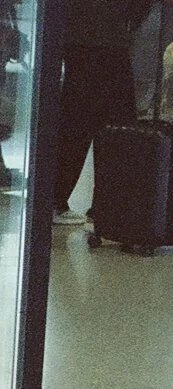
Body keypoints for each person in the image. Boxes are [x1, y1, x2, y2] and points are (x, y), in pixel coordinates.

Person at [53, 0, 155, 225]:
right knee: (115, 125)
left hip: (80, 38)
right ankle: (107, 204)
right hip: (108, 41)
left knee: (77, 121)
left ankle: (59, 198)